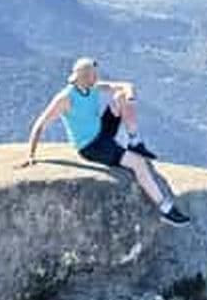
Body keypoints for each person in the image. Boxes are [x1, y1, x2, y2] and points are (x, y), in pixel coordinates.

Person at [20, 56, 190, 226]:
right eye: (93, 75)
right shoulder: (65, 98)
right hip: (92, 146)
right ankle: (165, 209)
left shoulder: (91, 87)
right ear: (83, 77)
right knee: (138, 163)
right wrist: (31, 155)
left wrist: (129, 97)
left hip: (101, 131)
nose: (96, 78)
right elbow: (40, 124)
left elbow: (125, 85)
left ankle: (134, 141)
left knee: (120, 97)